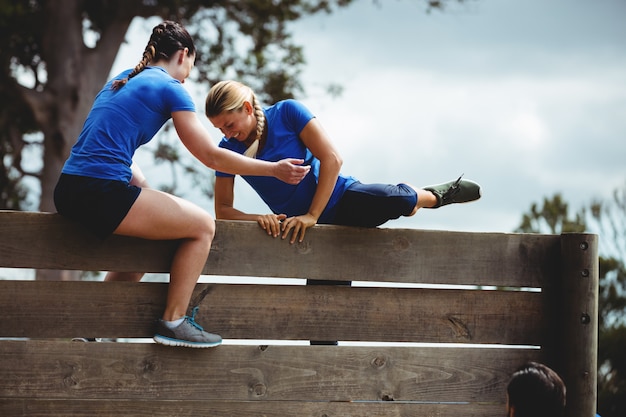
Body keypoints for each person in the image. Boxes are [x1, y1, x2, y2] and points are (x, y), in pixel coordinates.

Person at [54, 21, 310, 349]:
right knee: (202, 225)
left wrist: (144, 188)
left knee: (144, 242)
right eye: (191, 64)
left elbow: (105, 148)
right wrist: (272, 170)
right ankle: (173, 321)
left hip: (69, 189)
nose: (188, 74)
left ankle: (90, 331)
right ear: (184, 54)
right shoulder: (170, 88)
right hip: (99, 190)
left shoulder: (120, 81)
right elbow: (210, 155)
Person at [205, 80, 482, 244]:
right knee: (323, 313)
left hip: (340, 199)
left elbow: (332, 159)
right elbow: (224, 209)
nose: (227, 134)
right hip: (299, 231)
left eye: (229, 125)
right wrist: (259, 218)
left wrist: (313, 215)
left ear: (248, 109)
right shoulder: (226, 150)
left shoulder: (288, 112)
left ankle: (433, 196)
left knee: (397, 199)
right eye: (220, 130)